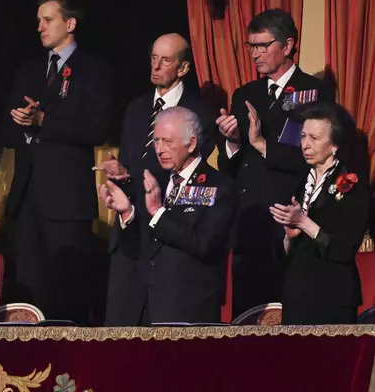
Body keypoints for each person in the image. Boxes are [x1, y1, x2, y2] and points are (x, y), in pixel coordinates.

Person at [215, 8, 334, 317]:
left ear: (288, 45)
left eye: (263, 46)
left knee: (287, 325)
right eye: (251, 46)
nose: (255, 54)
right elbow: (230, 168)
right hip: (249, 225)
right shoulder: (245, 93)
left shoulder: (313, 92)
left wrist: (261, 144)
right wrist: (232, 141)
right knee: (247, 324)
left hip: (288, 221)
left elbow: (314, 158)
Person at [93, 33, 216, 325]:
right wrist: (119, 173)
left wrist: (133, 175)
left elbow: (187, 173)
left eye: (166, 60)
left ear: (183, 68)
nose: (157, 66)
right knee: (119, 330)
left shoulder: (198, 114)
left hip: (166, 239)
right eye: (153, 58)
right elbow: (129, 162)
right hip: (128, 234)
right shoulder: (136, 109)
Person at [2, 0, 111, 324]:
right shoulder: (29, 70)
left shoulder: (93, 69)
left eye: (48, 20)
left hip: (67, 201)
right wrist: (22, 123)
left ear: (70, 24)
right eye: (39, 20)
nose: (40, 27)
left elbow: (97, 129)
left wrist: (44, 120)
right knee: (30, 291)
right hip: (27, 199)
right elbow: (6, 130)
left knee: (67, 293)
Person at [99, 106, 236, 324]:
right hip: (146, 307)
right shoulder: (157, 181)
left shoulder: (219, 186)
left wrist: (158, 213)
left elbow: (204, 243)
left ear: (191, 144)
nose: (159, 149)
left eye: (167, 142)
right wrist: (127, 212)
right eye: (156, 141)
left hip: (188, 310)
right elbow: (143, 243)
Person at [268, 102, 368, 324]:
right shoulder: (299, 182)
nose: (305, 144)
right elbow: (284, 251)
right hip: (297, 294)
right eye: (303, 136)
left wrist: (304, 222)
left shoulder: (352, 185)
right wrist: (289, 237)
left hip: (333, 296)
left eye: (314, 138)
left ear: (334, 145)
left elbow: (344, 249)